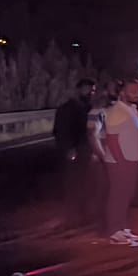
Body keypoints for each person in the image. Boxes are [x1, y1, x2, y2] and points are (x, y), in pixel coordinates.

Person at [101, 77, 138, 246]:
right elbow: (111, 138)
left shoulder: (131, 109)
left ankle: (122, 227)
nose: (137, 94)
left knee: (127, 194)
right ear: (122, 93)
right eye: (133, 91)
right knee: (118, 195)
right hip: (119, 161)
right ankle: (114, 231)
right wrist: (120, 161)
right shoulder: (117, 110)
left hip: (131, 158)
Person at [52, 76, 99, 232]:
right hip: (74, 151)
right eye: (88, 90)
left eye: (93, 90)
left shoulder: (89, 108)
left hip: (86, 151)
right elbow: (61, 131)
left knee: (86, 183)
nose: (91, 93)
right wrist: (68, 149)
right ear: (79, 89)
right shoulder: (68, 108)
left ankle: (83, 214)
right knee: (73, 184)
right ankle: (71, 217)